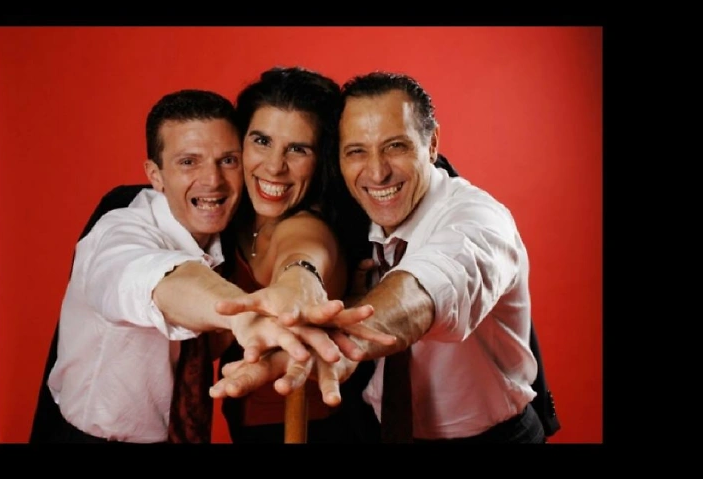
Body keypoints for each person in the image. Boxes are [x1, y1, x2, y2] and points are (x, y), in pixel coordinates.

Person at [211, 71, 546, 444]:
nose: (377, 171)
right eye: (356, 151)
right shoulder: (355, 213)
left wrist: (345, 341)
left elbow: (424, 289)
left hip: (491, 437)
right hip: (378, 429)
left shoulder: (477, 218)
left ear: (432, 144)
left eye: (396, 146)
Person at [44, 88, 372, 443]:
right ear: (156, 175)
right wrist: (241, 315)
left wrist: (312, 285)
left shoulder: (228, 231)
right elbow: (158, 280)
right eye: (188, 162)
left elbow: (303, 244)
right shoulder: (118, 231)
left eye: (227, 160)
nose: (212, 180)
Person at [212, 66, 388, 443]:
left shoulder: (310, 224)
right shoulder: (230, 217)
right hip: (248, 422)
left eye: (298, 149)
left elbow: (305, 254)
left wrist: (299, 279)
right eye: (262, 141)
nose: (274, 166)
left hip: (319, 429)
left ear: (322, 159)